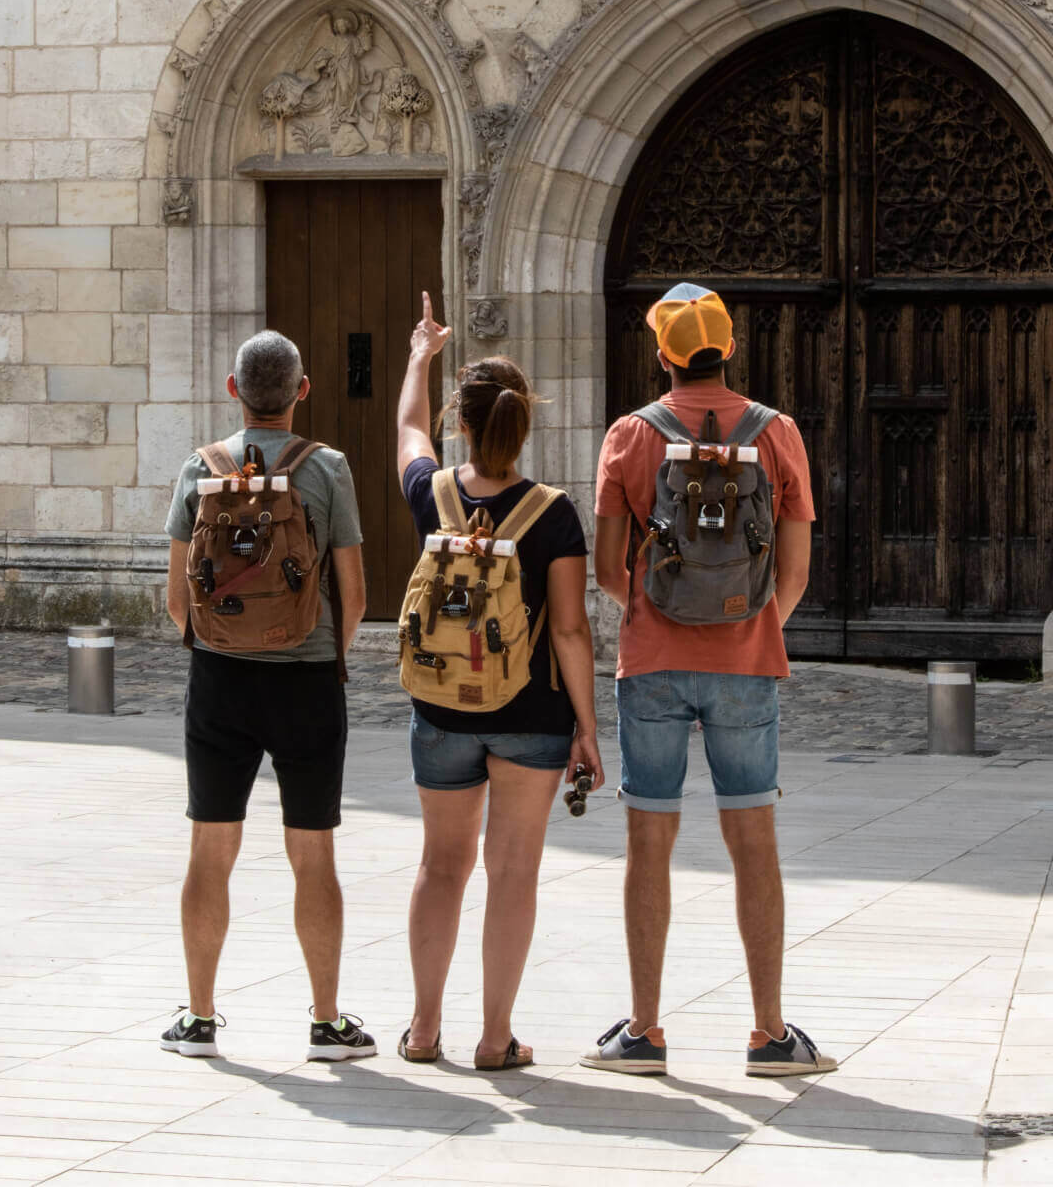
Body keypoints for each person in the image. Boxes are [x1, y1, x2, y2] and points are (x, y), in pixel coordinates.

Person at [585, 282, 837, 1079]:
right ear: (728, 349)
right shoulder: (778, 434)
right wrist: (746, 619)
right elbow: (793, 574)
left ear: (662, 355)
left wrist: (659, 612)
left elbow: (606, 568)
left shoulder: (631, 436)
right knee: (753, 842)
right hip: (747, 662)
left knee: (649, 841)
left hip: (652, 662)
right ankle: (769, 1035)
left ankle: (646, 1032)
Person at [396, 292, 602, 1070]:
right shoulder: (553, 515)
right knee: (512, 870)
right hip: (532, 712)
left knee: (438, 866)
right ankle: (494, 1038)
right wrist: (586, 726)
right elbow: (572, 630)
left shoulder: (434, 494)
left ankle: (421, 1029)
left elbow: (408, 430)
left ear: (465, 421)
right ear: (523, 426)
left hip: (440, 709)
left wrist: (423, 353)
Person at [160, 330, 375, 1062]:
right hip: (308, 680)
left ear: (232, 389)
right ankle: (326, 1023)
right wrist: (321, 654)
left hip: (220, 681)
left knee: (210, 848)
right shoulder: (328, 470)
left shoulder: (200, 469)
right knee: (312, 853)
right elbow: (354, 594)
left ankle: (198, 1018)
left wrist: (224, 645)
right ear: (303, 390)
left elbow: (174, 604)